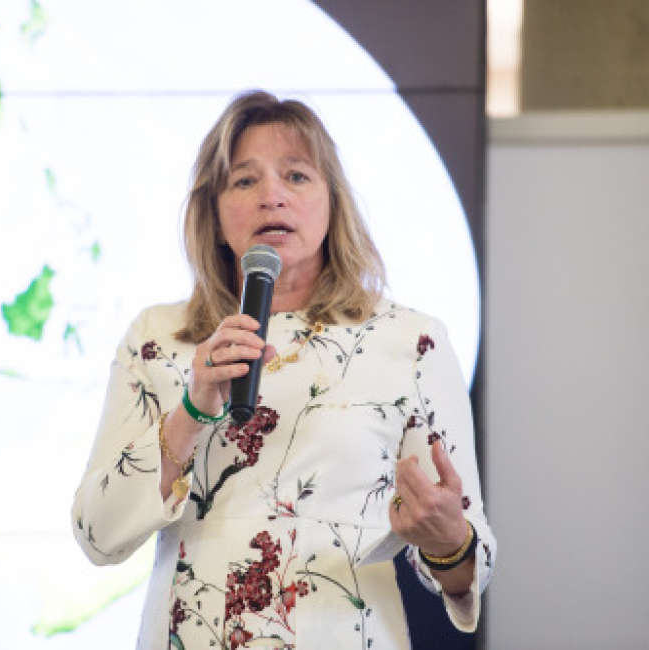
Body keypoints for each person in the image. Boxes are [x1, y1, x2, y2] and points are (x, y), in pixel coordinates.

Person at [71, 90, 495, 649]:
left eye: (296, 176)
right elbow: (97, 532)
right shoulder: (159, 339)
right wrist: (194, 409)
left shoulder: (408, 340)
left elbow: (470, 568)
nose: (271, 196)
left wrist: (449, 541)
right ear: (215, 213)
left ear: (332, 203)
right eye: (244, 181)